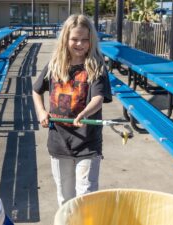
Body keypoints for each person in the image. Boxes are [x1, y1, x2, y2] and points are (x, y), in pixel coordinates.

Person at [32, 14, 112, 206]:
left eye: (85, 40)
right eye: (74, 39)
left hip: (87, 142)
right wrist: (42, 112)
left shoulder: (96, 66)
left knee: (86, 197)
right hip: (58, 141)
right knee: (65, 198)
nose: (80, 44)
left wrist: (84, 114)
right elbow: (36, 91)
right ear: (65, 39)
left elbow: (98, 98)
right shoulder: (54, 66)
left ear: (91, 41)